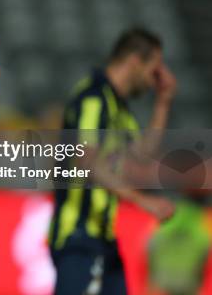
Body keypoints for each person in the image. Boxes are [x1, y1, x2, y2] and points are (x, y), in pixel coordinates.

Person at [48, 28, 177, 295]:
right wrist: (143, 200)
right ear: (134, 61)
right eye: (153, 70)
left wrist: (163, 103)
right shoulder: (93, 98)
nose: (155, 80)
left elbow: (142, 154)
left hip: (103, 240)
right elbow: (86, 161)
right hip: (79, 236)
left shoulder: (118, 107)